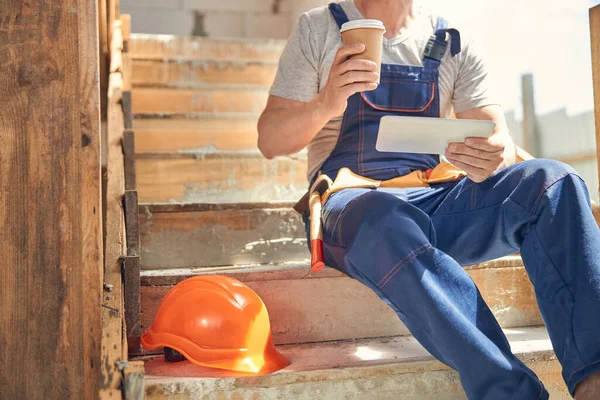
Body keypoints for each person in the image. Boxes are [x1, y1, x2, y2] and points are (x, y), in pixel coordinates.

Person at [257, 1, 600, 398]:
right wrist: (326, 103)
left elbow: (499, 138)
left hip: (434, 197)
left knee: (552, 181)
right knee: (386, 217)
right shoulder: (317, 28)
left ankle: (593, 379)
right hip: (351, 206)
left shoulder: (451, 41)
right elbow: (270, 140)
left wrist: (491, 152)